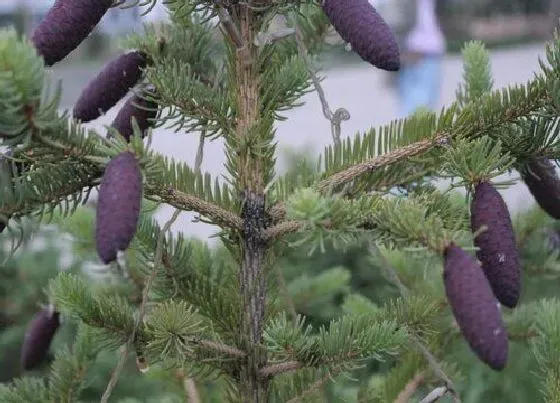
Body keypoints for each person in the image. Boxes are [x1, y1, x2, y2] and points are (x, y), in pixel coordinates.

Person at [374, 0, 447, 117]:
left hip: (427, 54)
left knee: (422, 110)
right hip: (418, 54)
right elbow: (393, 21)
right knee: (415, 113)